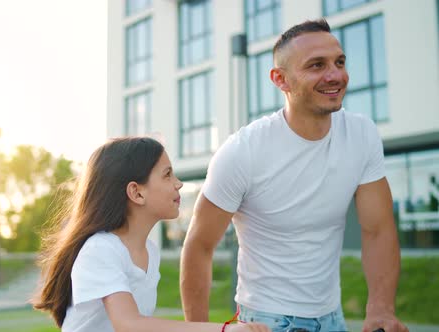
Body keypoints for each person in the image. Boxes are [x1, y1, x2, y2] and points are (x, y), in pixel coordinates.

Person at [179, 19, 408, 332]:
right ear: (280, 79)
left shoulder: (362, 134)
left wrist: (381, 308)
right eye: (316, 65)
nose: (335, 75)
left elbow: (378, 229)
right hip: (265, 322)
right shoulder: (242, 151)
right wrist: (199, 329)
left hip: (333, 318)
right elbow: (199, 246)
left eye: (339, 62)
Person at [32, 137, 270, 332]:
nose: (178, 184)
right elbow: (129, 324)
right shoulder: (101, 249)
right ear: (136, 193)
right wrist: (224, 330)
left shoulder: (149, 253)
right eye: (167, 175)